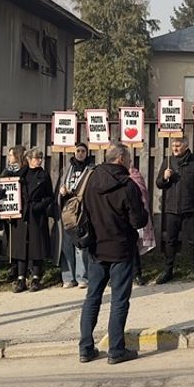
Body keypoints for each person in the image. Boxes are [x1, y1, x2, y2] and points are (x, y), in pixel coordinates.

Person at [78, 144, 148, 366]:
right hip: (121, 249)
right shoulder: (127, 185)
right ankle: (116, 350)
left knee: (92, 299)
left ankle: (86, 348)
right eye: (128, 158)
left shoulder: (90, 178)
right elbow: (138, 221)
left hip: (96, 248)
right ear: (119, 159)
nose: (129, 162)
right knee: (119, 301)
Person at [154, 137, 194, 284]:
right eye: (173, 146)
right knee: (170, 242)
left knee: (193, 241)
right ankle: (168, 271)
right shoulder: (168, 161)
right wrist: (165, 178)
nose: (175, 148)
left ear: (186, 145)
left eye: (178, 145)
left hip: (190, 209)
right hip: (172, 209)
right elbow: (159, 184)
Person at [4, 146, 54, 293]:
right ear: (28, 159)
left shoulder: (44, 175)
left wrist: (40, 206)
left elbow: (49, 195)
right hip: (21, 214)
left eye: (40, 158)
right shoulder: (20, 175)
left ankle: (36, 277)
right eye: (36, 158)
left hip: (36, 214)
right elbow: (9, 187)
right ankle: (20, 278)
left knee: (36, 246)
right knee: (20, 246)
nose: (38, 161)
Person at [57, 143, 95, 288]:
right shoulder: (67, 169)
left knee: (81, 245)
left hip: (82, 211)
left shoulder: (90, 169)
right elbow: (59, 187)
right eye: (77, 151)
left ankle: (82, 277)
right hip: (67, 210)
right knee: (66, 245)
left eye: (83, 151)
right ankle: (68, 277)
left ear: (87, 153)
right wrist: (61, 192)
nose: (80, 153)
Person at [128, 160, 155, 286]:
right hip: (118, 215)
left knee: (133, 245)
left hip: (133, 213)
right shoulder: (111, 175)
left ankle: (136, 273)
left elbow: (143, 193)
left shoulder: (135, 175)